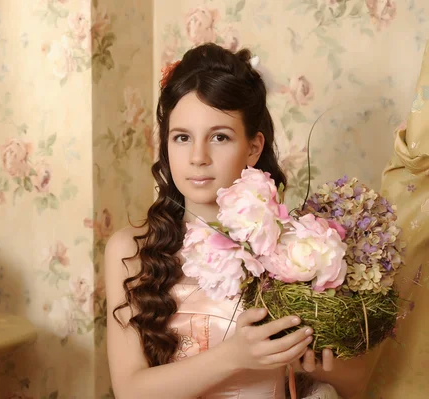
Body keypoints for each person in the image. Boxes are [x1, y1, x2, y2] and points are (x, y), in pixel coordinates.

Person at [104, 43, 373, 399]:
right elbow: (129, 391)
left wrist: (305, 356)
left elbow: (357, 384)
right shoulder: (132, 249)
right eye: (182, 137)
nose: (198, 157)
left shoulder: (300, 247)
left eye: (219, 137)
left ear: (253, 147)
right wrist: (232, 357)